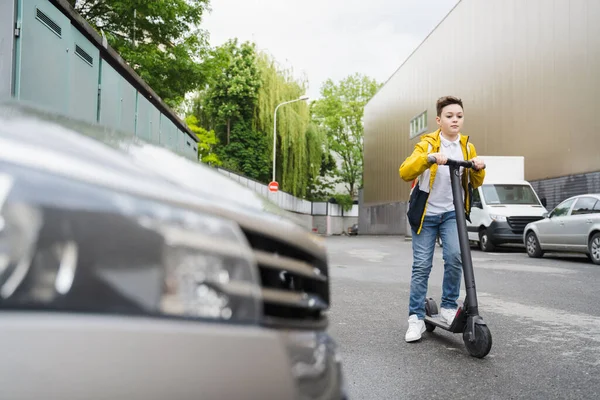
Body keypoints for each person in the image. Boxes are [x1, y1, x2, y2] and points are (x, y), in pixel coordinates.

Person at [399, 96, 486, 342]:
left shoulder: (467, 147)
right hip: (426, 214)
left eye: (459, 116)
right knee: (422, 266)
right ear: (439, 120)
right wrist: (428, 159)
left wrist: (479, 167)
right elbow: (405, 171)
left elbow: (476, 182)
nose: (455, 120)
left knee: (455, 257)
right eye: (449, 116)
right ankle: (415, 319)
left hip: (452, 212)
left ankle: (448, 306)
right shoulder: (427, 143)